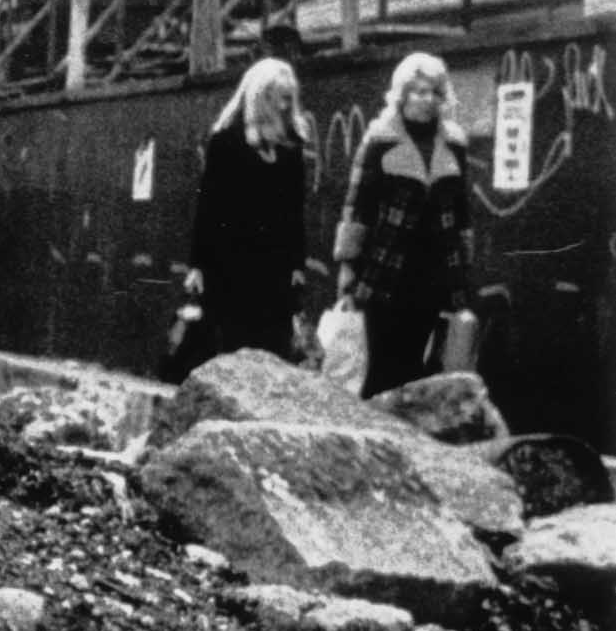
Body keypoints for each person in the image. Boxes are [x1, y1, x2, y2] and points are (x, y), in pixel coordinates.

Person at [334, 52, 473, 398]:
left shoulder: (454, 143)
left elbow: (462, 211)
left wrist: (464, 270)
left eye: (434, 92)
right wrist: (348, 267)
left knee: (416, 364)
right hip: (385, 268)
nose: (427, 99)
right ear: (402, 94)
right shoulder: (381, 139)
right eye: (419, 91)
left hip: (434, 271)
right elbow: (358, 207)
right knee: (380, 364)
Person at [177, 58, 311, 378]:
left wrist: (297, 264)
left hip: (275, 265)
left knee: (274, 346)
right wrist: (198, 264)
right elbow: (209, 206)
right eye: (277, 96)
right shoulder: (226, 141)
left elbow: (295, 211)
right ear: (259, 96)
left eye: (288, 97)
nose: (283, 104)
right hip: (230, 263)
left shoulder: (291, 147)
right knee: (233, 342)